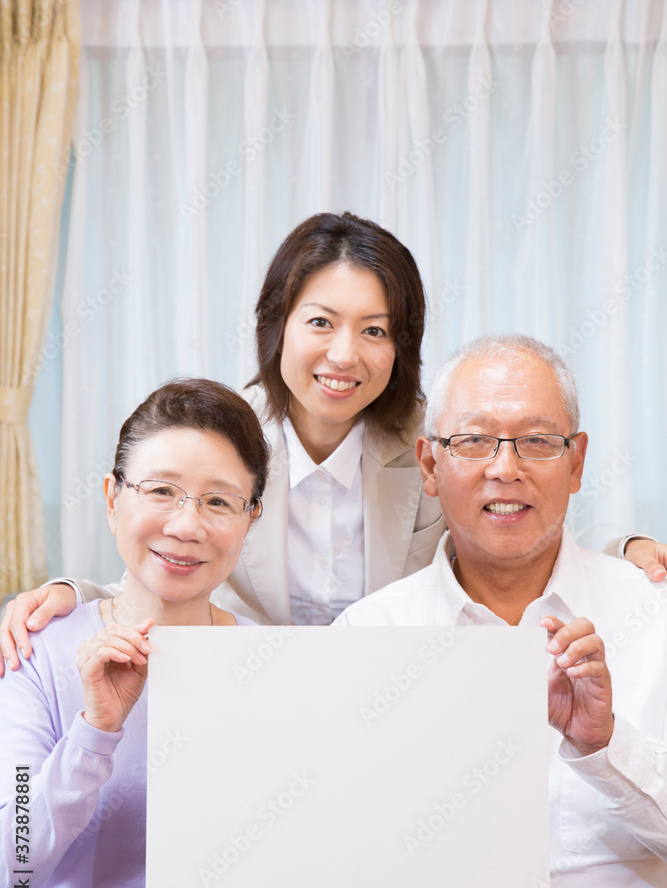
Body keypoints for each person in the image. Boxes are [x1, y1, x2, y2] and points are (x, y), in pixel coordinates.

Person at [0, 213, 664, 659]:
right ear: (277, 327)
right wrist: (74, 596)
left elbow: (518, 519)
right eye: (320, 322)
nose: (344, 355)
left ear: (401, 348)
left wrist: (625, 553)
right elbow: (168, 550)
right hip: (242, 688)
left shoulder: (443, 443)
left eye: (374, 330)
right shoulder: (226, 441)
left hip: (394, 693)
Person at [335, 335, 667, 888]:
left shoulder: (653, 616)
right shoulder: (367, 636)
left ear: (576, 462)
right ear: (430, 465)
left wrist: (604, 745)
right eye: (474, 441)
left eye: (537, 440)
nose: (506, 468)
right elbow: (339, 856)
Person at [0, 378, 268, 888]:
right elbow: (10, 869)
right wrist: (94, 733)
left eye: (218, 501)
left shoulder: (263, 662)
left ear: (249, 519)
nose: (187, 526)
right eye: (161, 491)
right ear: (112, 498)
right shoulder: (34, 650)